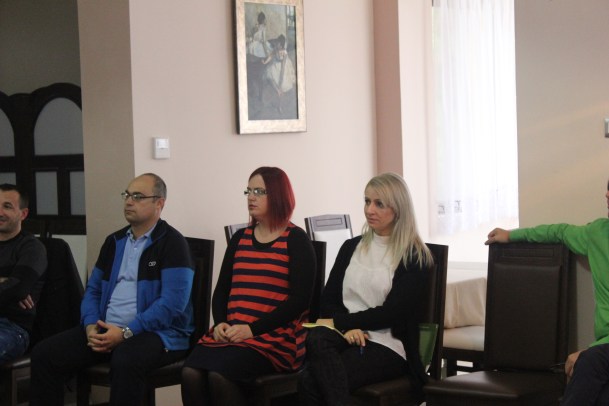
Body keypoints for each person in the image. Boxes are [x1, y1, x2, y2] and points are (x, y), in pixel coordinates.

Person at [30, 173, 195, 406]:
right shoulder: (114, 241)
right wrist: (90, 325)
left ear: (159, 203)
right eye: (127, 195)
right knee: (44, 354)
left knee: (126, 359)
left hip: (158, 333)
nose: (129, 201)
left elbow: (172, 304)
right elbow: (93, 290)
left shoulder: (173, 243)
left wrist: (126, 332)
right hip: (105, 328)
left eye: (138, 196)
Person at [181, 166, 316, 406]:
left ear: (278, 195)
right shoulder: (239, 238)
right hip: (233, 333)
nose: (251, 197)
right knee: (190, 373)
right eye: (249, 191)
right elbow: (221, 291)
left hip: (274, 339)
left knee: (219, 376)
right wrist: (221, 322)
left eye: (259, 191)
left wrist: (252, 330)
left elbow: (299, 302)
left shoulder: (296, 240)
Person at [299, 172, 435, 406]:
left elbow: (392, 313)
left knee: (309, 382)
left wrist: (345, 323)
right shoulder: (351, 247)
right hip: (346, 334)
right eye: (367, 201)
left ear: (398, 209)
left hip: (387, 343)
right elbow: (328, 299)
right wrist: (347, 327)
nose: (369, 210)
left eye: (379, 204)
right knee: (317, 337)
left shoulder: (414, 256)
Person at [485, 180, 609, 406]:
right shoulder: (598, 233)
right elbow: (558, 232)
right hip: (604, 350)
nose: (607, 194)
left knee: (588, 364)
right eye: (608, 189)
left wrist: (590, 352)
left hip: (601, 353)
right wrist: (511, 235)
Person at [0, 184, 47, 363]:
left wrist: (12, 285)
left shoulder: (32, 248)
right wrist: (5, 280)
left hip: (11, 327)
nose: (0, 212)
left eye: (7, 206)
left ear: (23, 214)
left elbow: (18, 288)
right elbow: (11, 287)